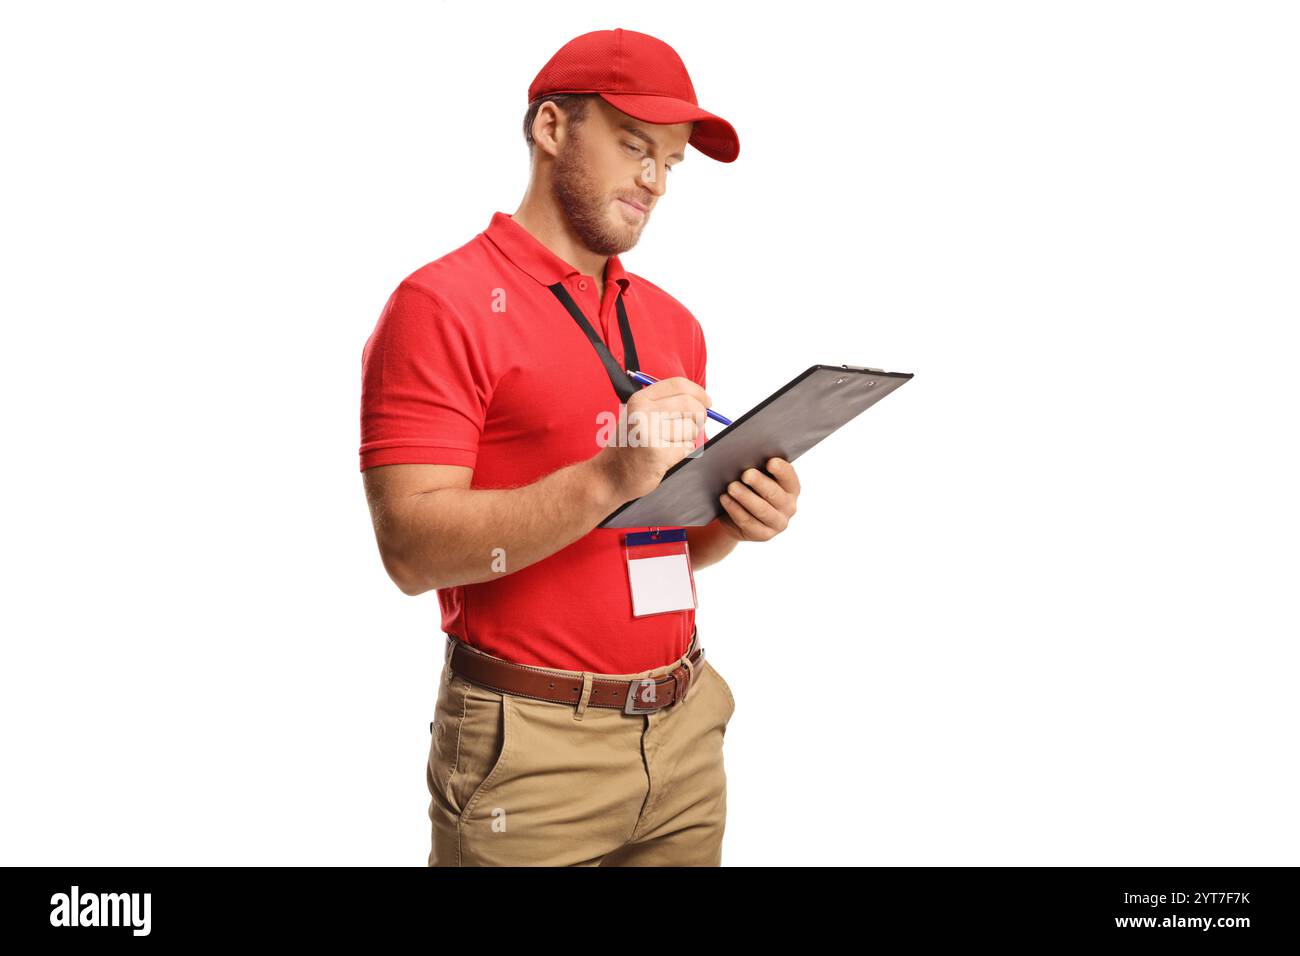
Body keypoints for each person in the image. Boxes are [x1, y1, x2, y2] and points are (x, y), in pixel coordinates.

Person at [359, 28, 801, 866]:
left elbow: (662, 541)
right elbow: (410, 553)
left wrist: (737, 517)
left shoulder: (674, 324)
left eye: (670, 162)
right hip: (528, 757)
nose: (654, 181)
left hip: (686, 735)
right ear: (552, 129)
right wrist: (608, 474)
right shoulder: (441, 305)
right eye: (636, 146)